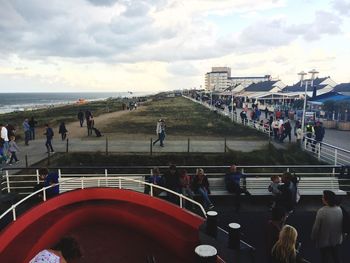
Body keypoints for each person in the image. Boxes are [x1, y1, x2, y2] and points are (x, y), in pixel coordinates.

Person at [311, 190, 343, 263]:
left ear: (327, 199)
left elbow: (316, 227)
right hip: (336, 238)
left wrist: (313, 236)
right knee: (336, 256)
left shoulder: (322, 211)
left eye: (323, 197)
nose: (322, 198)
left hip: (324, 240)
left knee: (325, 258)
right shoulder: (339, 209)